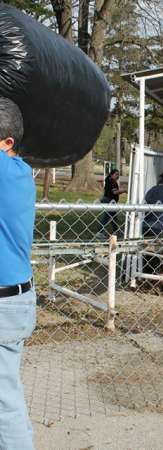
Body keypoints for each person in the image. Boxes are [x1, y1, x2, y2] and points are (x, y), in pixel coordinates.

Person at [0, 97, 36, 449]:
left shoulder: (5, 172)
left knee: (4, 404)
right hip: (15, 299)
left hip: (5, 303)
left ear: (7, 143)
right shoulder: (17, 172)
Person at [97, 169, 126, 238]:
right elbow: (115, 192)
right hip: (109, 201)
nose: (118, 176)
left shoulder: (111, 181)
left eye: (118, 174)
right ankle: (99, 232)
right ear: (112, 174)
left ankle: (116, 231)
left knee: (114, 217)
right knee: (107, 217)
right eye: (116, 174)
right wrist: (124, 190)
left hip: (111, 201)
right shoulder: (111, 181)